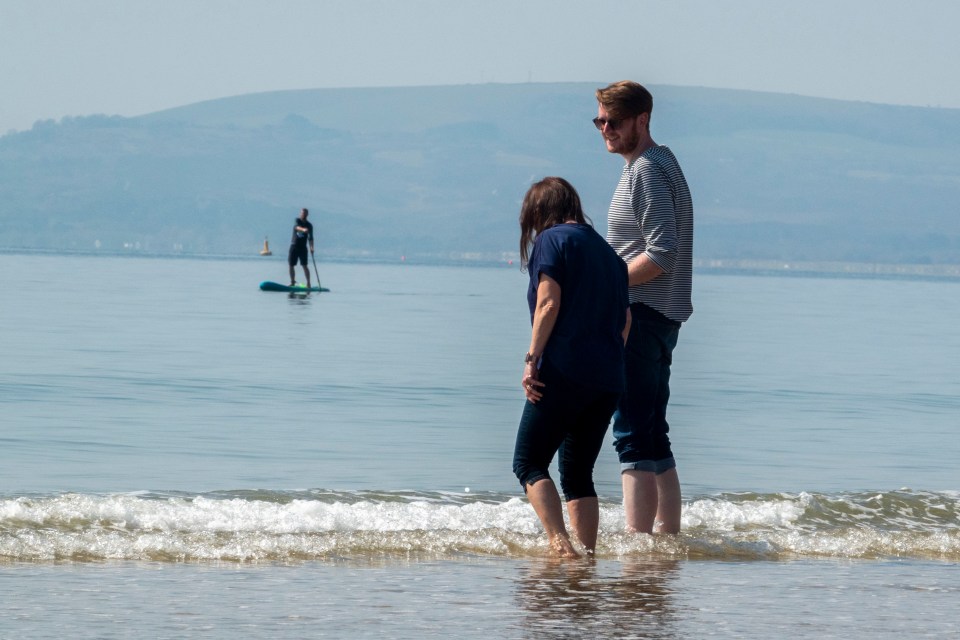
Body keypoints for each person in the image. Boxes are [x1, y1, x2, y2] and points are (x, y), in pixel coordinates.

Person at [512, 177, 631, 557]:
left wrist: (531, 361)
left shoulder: (552, 240)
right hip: (607, 378)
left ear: (540, 212)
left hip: (563, 372)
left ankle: (559, 542)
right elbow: (625, 320)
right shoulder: (608, 253)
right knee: (578, 474)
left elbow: (548, 303)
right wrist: (606, 359)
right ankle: (586, 556)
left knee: (528, 462)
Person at [594, 81, 694, 535]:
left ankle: (638, 546)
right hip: (660, 316)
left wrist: (605, 283)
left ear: (642, 120)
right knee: (653, 435)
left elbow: (662, 252)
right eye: (599, 120)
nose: (605, 129)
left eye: (613, 121)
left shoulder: (648, 170)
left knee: (631, 436)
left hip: (642, 315)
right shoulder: (657, 163)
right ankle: (664, 544)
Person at [288, 208, 314, 287]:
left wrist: (312, 247)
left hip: (303, 248)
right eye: (302, 213)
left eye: (305, 214)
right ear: (300, 214)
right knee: (291, 265)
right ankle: (292, 282)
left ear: (307, 215)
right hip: (294, 246)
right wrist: (303, 229)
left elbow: (311, 238)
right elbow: (296, 227)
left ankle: (308, 283)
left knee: (304, 265)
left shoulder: (309, 225)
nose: (303, 215)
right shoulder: (297, 220)